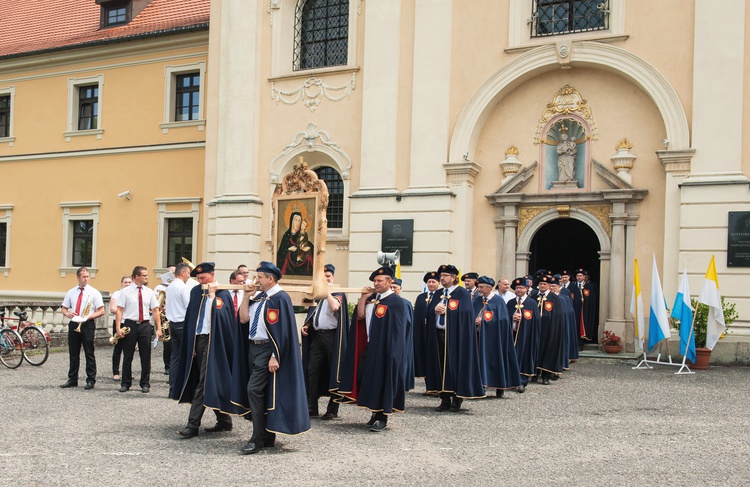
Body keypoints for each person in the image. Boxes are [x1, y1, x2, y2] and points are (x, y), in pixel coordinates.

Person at [233, 261, 309, 454]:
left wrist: (275, 355)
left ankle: (257, 438)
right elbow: (243, 319)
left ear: (270, 278)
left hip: (268, 350)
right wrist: (245, 297)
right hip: (253, 349)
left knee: (254, 390)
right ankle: (267, 435)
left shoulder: (279, 298)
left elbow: (283, 331)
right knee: (263, 393)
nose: (255, 279)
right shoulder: (259, 297)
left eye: (259, 277)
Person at [173, 262, 242, 438]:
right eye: (198, 278)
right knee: (207, 380)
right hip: (199, 340)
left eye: (203, 278)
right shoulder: (196, 291)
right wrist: (192, 344)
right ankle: (224, 420)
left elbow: (221, 319)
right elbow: (192, 319)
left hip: (215, 342)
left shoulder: (222, 293)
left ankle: (192, 425)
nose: (200, 281)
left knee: (203, 383)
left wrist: (212, 296)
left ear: (212, 274)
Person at [336, 266, 407, 432]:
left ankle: (382, 417)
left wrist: (393, 353)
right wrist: (363, 298)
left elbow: (397, 330)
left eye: (380, 281)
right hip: (370, 346)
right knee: (366, 378)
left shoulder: (395, 302)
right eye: (375, 281)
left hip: (386, 349)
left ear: (390, 282)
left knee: (383, 381)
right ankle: (375, 412)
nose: (376, 283)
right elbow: (360, 316)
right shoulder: (373, 299)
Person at [426, 264, 485, 413]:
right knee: (440, 367)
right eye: (441, 275)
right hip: (438, 334)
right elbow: (427, 313)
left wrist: (448, 312)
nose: (442, 278)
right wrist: (434, 310)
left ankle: (457, 399)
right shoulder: (438, 293)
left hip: (455, 337)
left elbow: (466, 314)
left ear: (453, 278)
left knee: (454, 366)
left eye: (445, 275)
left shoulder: (462, 294)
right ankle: (444, 398)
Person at [301, 264, 349, 420]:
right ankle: (311, 407)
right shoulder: (318, 294)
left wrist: (326, 290)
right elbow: (314, 313)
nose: (326, 279)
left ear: (333, 277)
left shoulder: (338, 292)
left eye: (328, 276)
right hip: (317, 337)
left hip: (332, 337)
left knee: (334, 371)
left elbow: (335, 307)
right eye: (323, 277)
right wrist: (307, 325)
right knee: (311, 371)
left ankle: (332, 409)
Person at [114, 266, 162, 393]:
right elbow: (119, 309)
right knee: (128, 354)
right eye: (144, 275)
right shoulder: (125, 292)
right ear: (137, 277)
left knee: (145, 355)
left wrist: (159, 328)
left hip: (145, 324)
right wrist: (118, 327)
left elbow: (155, 310)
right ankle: (126, 382)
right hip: (130, 323)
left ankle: (145, 383)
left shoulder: (149, 292)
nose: (147, 277)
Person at [475, 276, 521, 397]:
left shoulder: (498, 301)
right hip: (479, 338)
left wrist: (484, 322)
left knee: (496, 361)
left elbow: (503, 320)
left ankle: (499, 386)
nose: (478, 289)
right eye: (478, 287)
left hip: (494, 339)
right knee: (480, 362)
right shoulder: (477, 301)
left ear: (489, 288)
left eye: (481, 287)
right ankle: (482, 385)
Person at [60, 267, 105, 389]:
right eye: (84, 277)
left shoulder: (94, 292)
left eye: (87, 277)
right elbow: (64, 308)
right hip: (74, 323)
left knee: (89, 352)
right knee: (73, 353)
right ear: (78, 277)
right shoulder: (71, 292)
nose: (86, 279)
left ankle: (91, 379)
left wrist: (89, 316)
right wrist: (67, 313)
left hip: (87, 324)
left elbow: (101, 311)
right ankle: (72, 378)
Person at [165, 262, 194, 398]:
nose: (189, 276)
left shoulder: (170, 286)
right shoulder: (183, 287)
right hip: (183, 323)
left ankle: (172, 389)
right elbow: (189, 307)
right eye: (188, 273)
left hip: (173, 323)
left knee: (175, 356)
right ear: (183, 273)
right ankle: (185, 388)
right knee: (188, 355)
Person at [507, 277, 540, 393]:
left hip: (526, 336)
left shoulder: (532, 303)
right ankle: (511, 380)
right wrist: (512, 318)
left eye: (521, 288)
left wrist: (524, 320)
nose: (519, 290)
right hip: (512, 335)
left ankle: (522, 381)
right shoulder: (510, 303)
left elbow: (536, 321)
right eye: (517, 288)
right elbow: (504, 319)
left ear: (526, 288)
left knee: (524, 357)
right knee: (512, 357)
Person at [535, 275, 565, 385]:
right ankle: (535, 372)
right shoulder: (534, 296)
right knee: (536, 350)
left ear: (548, 286)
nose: (542, 286)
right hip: (536, 330)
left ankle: (546, 375)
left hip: (549, 330)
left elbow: (557, 315)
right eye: (540, 284)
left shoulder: (554, 298)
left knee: (548, 351)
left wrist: (554, 329)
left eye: (545, 284)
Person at [413, 271, 440, 381]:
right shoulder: (421, 297)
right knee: (423, 355)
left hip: (435, 332)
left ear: (438, 283)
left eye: (433, 282)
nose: (431, 284)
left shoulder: (441, 296)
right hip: (422, 331)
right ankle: (427, 382)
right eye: (429, 282)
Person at [391, 277, 415, 391]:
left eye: (395, 287)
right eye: (390, 287)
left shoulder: (405, 304)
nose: (392, 289)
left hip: (402, 338)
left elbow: (408, 323)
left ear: (400, 289)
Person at [276, 211, 314, 276]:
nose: (297, 223)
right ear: (292, 221)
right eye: (295, 220)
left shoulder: (301, 234)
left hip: (300, 262)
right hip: (289, 264)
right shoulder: (287, 235)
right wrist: (289, 249)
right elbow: (281, 252)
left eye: (299, 221)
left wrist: (309, 247)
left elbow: (306, 243)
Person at [109, 275, 132, 381]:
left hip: (129, 322)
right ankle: (116, 372)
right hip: (119, 322)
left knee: (129, 349)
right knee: (118, 348)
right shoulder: (117, 294)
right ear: (121, 283)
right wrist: (123, 310)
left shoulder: (133, 294)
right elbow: (113, 308)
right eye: (125, 282)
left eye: (129, 282)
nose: (127, 284)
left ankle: (127, 373)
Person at [154, 268, 174, 376]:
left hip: (175, 317)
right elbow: (156, 302)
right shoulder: (160, 287)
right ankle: (167, 366)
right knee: (168, 344)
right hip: (165, 317)